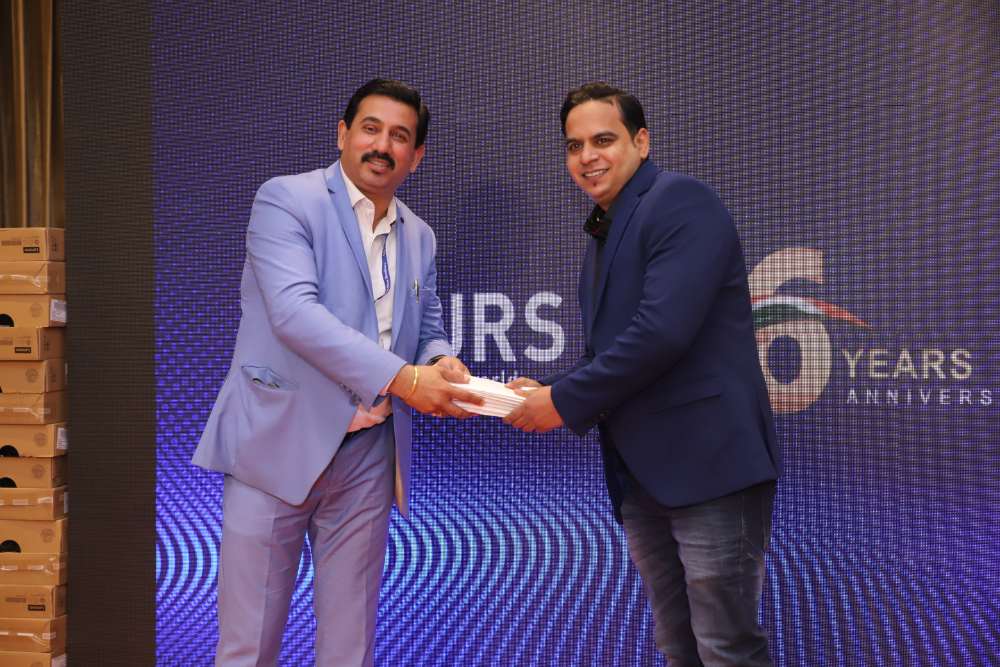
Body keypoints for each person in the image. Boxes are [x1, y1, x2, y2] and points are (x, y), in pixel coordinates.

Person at [192, 78, 481, 666]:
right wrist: (407, 380)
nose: (383, 146)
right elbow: (295, 314)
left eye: (399, 137)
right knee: (249, 645)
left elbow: (427, 327)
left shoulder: (420, 236)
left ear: (416, 156)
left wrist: (438, 361)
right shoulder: (286, 200)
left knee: (351, 646)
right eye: (371, 129)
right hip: (276, 441)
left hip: (368, 457)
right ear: (343, 134)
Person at [505, 82, 780, 666]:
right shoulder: (607, 228)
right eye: (574, 145)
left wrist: (563, 402)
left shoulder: (679, 203)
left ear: (641, 141)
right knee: (677, 646)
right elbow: (615, 347)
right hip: (644, 479)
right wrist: (551, 390)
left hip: (710, 470)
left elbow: (662, 333)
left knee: (726, 649)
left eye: (603, 140)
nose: (587, 156)